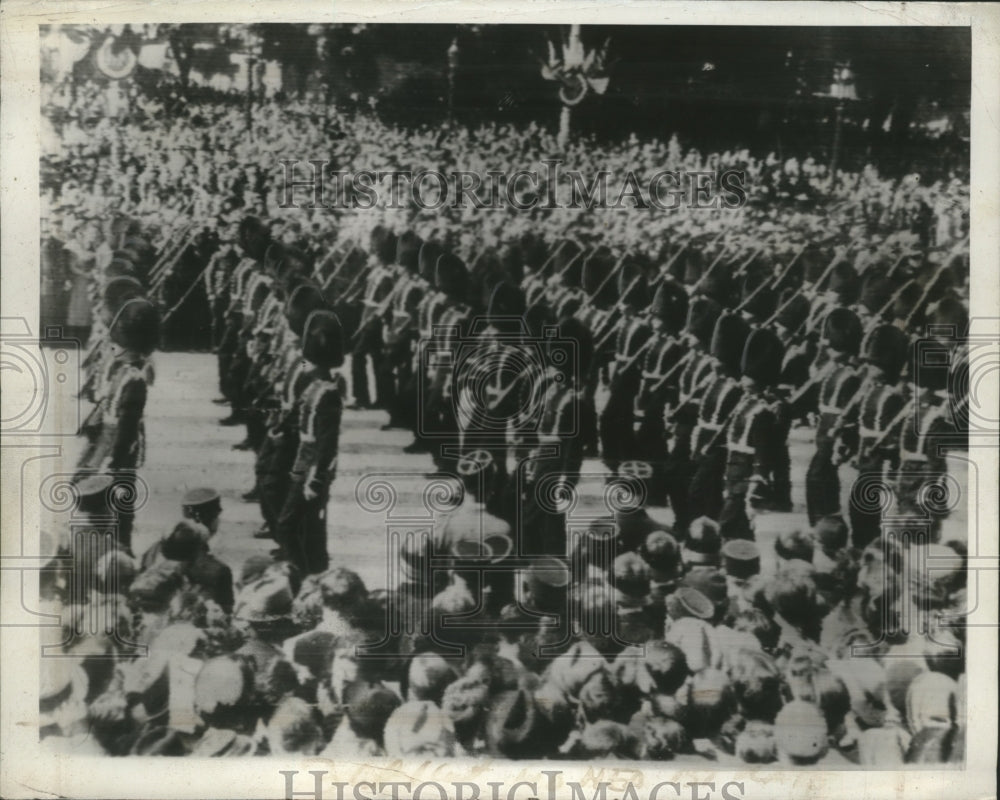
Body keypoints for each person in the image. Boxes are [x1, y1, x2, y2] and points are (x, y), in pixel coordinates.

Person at [276, 310, 346, 575]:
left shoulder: (328, 394)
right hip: (302, 463)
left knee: (287, 524)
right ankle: (315, 568)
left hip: (313, 470)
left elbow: (326, 445)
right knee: (309, 526)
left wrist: (314, 481)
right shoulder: (315, 386)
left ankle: (301, 573)